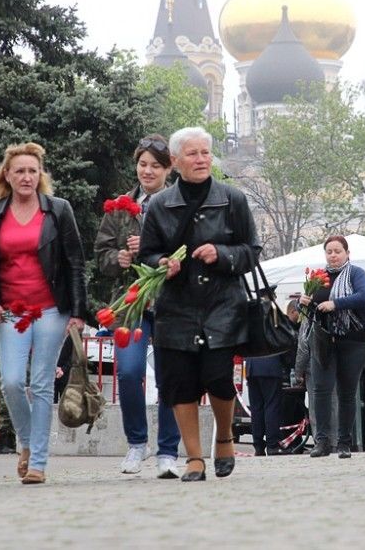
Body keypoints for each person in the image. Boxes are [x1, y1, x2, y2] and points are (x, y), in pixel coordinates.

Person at [138, 126, 260, 482]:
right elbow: (146, 254)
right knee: (179, 383)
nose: (201, 159)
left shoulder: (232, 199)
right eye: (192, 154)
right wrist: (163, 263)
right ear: (175, 162)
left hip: (221, 304)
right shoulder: (160, 204)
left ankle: (223, 436)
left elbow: (251, 251)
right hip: (176, 306)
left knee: (218, 378)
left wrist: (221, 254)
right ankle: (193, 457)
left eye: (205, 152)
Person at [0, 142, 88, 485]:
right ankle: (25, 443)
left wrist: (78, 311)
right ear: (7, 176)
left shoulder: (58, 210)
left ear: (40, 175)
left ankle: (38, 461)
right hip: (12, 311)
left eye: (32, 170)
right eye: (20, 171)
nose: (26, 177)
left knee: (41, 384)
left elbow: (75, 263)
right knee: (11, 381)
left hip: (51, 308)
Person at [94, 134, 181, 478]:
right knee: (128, 371)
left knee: (171, 377)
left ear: (168, 168)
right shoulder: (118, 208)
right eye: (143, 164)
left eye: (155, 166)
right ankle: (136, 443)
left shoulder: (178, 203)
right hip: (131, 303)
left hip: (172, 302)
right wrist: (120, 256)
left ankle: (168, 451)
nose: (147, 171)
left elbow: (188, 247)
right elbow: (101, 258)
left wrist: (155, 251)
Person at [299, 235, 365, 459]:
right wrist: (304, 303)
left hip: (354, 339)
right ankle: (323, 441)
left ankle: (345, 442)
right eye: (329, 251)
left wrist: (336, 303)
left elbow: (364, 296)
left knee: (347, 391)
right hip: (324, 339)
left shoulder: (356, 274)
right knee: (321, 388)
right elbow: (312, 309)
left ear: (347, 253)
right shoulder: (318, 276)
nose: (333, 255)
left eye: (338, 251)